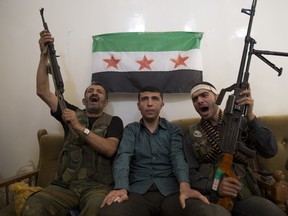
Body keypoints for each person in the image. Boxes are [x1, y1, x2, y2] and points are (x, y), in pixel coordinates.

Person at [21, 31, 124, 216]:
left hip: (96, 188)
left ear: (105, 102)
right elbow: (42, 91)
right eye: (90, 90)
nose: (94, 93)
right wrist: (43, 55)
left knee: (97, 209)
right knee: (33, 206)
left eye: (99, 92)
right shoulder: (69, 112)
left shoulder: (114, 121)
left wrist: (78, 127)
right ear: (84, 101)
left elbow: (109, 149)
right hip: (64, 187)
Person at [99, 86, 230, 216]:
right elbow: (123, 157)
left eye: (155, 99)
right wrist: (121, 187)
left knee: (212, 212)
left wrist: (185, 187)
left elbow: (178, 157)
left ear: (162, 104)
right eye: (145, 99)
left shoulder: (174, 130)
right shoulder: (131, 130)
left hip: (171, 194)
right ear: (139, 105)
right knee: (109, 211)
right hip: (137, 193)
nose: (149, 103)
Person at [183, 81, 286, 216]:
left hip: (244, 194)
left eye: (204, 95)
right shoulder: (191, 134)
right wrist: (214, 186)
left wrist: (250, 116)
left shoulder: (241, 123)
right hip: (211, 197)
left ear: (217, 97)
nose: (199, 101)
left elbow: (270, 150)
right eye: (194, 99)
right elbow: (189, 173)